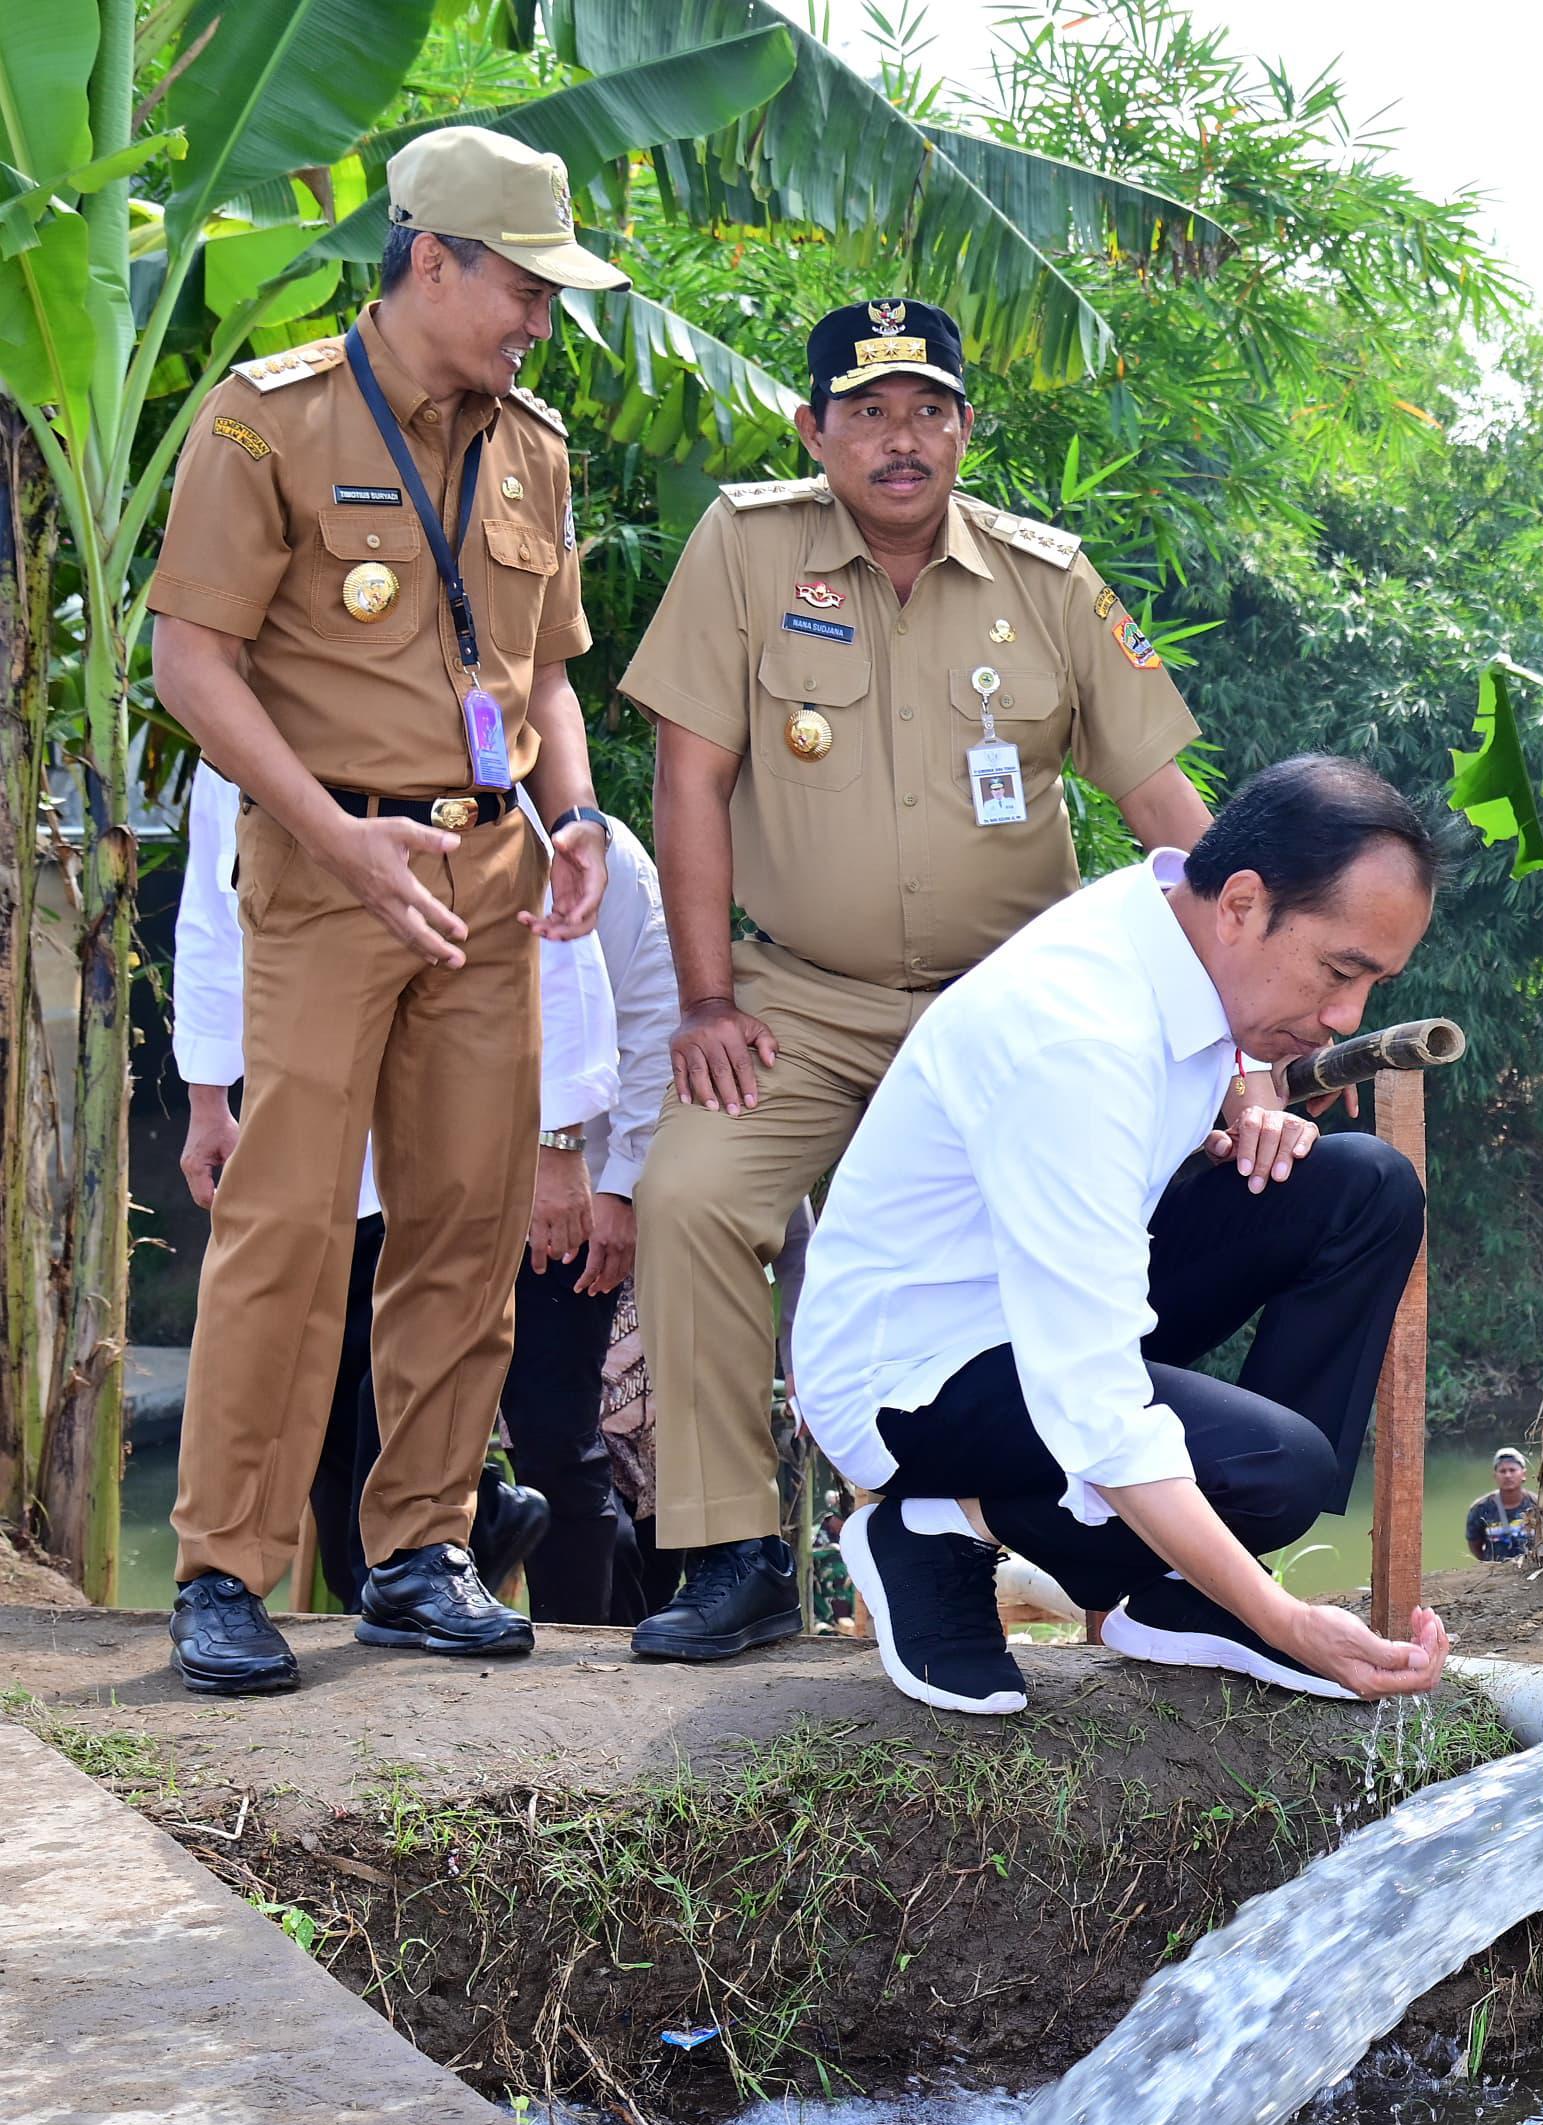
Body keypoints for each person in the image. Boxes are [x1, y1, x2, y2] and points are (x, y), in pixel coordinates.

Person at [618, 295, 1213, 1666]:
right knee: (692, 1195)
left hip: (1010, 1007)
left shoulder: (1047, 580)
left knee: (1077, 1241)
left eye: (930, 410)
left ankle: (1064, 1542)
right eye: (872, 411)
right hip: (800, 1000)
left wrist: (1265, 982)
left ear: (964, 428)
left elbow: (1164, 804)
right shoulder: (743, 549)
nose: (903, 440)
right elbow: (690, 782)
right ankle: (730, 1554)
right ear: (815, 427)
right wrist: (707, 1000)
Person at [145, 126, 619, 1696]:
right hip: (330, 867)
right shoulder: (267, 418)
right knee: (285, 1224)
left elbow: (541, 668)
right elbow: (192, 665)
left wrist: (576, 812)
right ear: (434, 260)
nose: (538, 321)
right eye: (523, 288)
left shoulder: (532, 445)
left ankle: (421, 1546)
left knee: (467, 1219)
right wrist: (338, 837)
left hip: (488, 880)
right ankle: (225, 1566)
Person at [790, 757, 1449, 1714]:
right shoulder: (1078, 1036)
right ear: (1242, 904)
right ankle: (939, 1523)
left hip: (1037, 1305)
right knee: (1280, 1469)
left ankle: (1178, 1594)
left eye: (1375, 983)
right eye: (1339, 973)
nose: (1347, 1019)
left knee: (1361, 1186)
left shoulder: (1174, 931)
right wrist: (1282, 1619)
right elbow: (1096, 1401)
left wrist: (1239, 1091)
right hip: (911, 1374)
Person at [172, 764, 662, 1618]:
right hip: (330, 1148)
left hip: (489, 1130)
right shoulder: (242, 733)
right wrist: (209, 1095)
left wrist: (562, 1143)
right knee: (331, 1426)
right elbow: (213, 911)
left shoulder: (504, 752)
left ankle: (536, 1614)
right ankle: (233, 1582)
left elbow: (565, 960)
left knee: (547, 1422)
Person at [1466, 1447, 1535, 1563]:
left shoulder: (1537, 1504)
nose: (1508, 1475)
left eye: (1512, 1470)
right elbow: (1474, 1545)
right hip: (1495, 1573)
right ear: (1495, 1476)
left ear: (1523, 1474)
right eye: (1502, 1471)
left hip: (1531, 1570)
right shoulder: (1480, 1508)